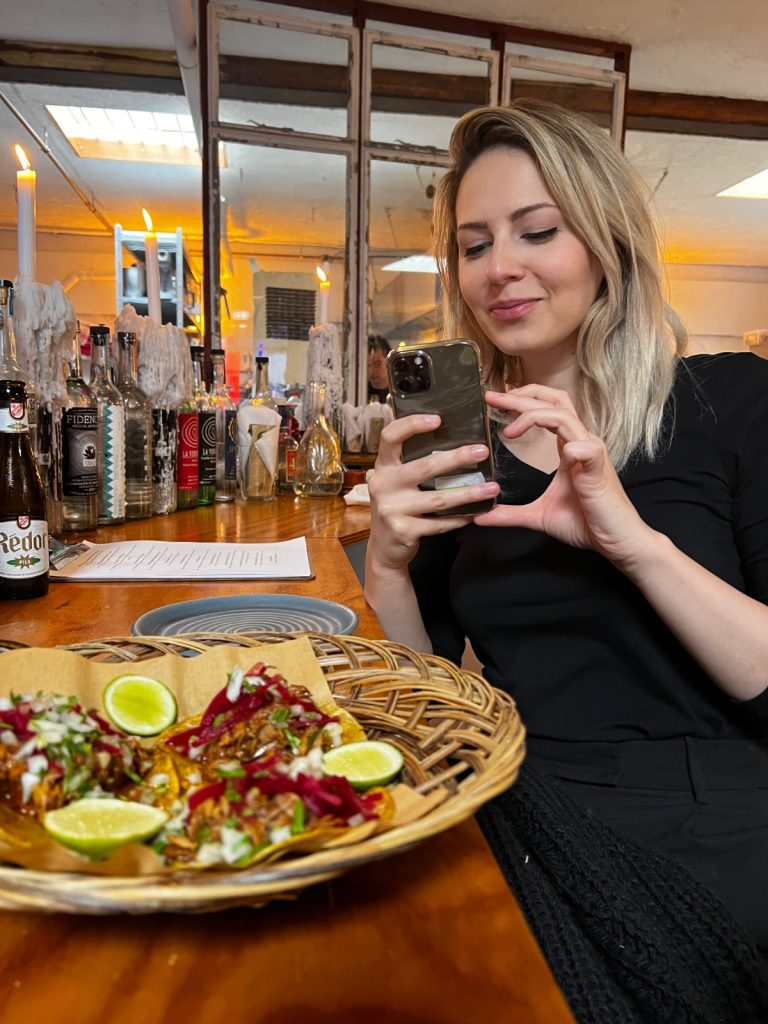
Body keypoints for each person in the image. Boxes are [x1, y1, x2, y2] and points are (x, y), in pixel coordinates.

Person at [364, 98, 768, 1021]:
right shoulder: (464, 451)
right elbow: (427, 704)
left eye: (536, 231)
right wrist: (388, 564)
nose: (497, 268)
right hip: (523, 807)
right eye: (472, 246)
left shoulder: (729, 402)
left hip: (720, 813)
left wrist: (631, 544)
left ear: (607, 243)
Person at [367, 334, 391, 402]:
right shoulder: (360, 393)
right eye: (367, 366)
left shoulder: (401, 390)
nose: (371, 371)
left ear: (389, 362)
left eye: (377, 364)